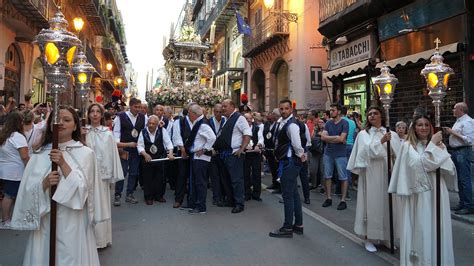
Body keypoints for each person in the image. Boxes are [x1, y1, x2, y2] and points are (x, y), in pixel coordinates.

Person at [11, 106, 107, 265]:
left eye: (67, 120)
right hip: (47, 220)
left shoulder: (86, 154)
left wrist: (63, 164)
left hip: (73, 220)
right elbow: (27, 191)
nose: (61, 123)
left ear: (75, 125)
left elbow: (85, 192)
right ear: (49, 125)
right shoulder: (40, 154)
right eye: (57, 120)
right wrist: (44, 184)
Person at [388, 114, 457, 266]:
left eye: (427, 124)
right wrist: (433, 148)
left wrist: (437, 149)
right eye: (420, 125)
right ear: (414, 128)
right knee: (421, 227)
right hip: (419, 195)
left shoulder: (439, 145)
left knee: (436, 227)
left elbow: (450, 168)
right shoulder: (408, 146)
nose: (424, 128)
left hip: (437, 190)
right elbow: (418, 167)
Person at [347, 106, 401, 252]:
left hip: (387, 172)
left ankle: (387, 238)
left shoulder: (391, 134)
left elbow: (399, 154)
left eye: (375, 113)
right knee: (371, 204)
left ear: (381, 116)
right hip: (370, 173)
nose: (372, 116)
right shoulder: (363, 134)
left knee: (388, 204)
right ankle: (369, 238)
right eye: (369, 114)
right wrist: (381, 142)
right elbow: (363, 154)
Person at [84, 103, 124, 248]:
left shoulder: (107, 133)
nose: (94, 114)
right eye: (92, 111)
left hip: (101, 177)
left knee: (100, 204)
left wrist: (111, 175)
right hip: (85, 174)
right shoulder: (83, 132)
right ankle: (86, 239)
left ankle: (100, 239)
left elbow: (111, 154)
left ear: (101, 115)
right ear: (88, 114)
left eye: (97, 112)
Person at [269, 99, 307, 238]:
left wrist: (301, 155)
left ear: (291, 109)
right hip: (288, 161)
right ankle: (298, 225)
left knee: (288, 196)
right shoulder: (283, 122)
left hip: (290, 162)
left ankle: (287, 227)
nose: (283, 111)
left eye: (286, 108)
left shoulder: (292, 125)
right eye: (281, 109)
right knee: (294, 194)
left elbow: (297, 144)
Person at [214, 99, 251, 213]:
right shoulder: (227, 119)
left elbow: (247, 133)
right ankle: (230, 200)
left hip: (234, 154)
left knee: (236, 180)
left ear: (232, 106)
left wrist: (241, 149)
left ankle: (239, 203)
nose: (223, 108)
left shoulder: (240, 118)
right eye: (222, 106)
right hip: (224, 154)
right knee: (226, 180)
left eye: (225, 106)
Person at [113, 98, 146, 206]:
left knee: (134, 172)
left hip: (136, 149)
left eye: (139, 107)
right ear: (130, 106)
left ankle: (129, 194)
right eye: (136, 107)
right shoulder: (121, 116)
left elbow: (145, 131)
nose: (138, 109)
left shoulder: (143, 117)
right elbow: (116, 132)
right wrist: (119, 146)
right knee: (122, 172)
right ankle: (117, 195)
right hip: (124, 148)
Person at [184, 104, 216, 214]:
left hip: (201, 158)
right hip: (196, 157)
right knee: (195, 182)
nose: (188, 115)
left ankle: (201, 207)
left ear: (194, 114)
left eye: (189, 113)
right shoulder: (199, 122)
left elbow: (212, 137)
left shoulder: (202, 124)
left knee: (200, 183)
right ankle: (194, 203)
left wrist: (204, 149)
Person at [0, 112, 29, 226]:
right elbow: (24, 156)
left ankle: (12, 217)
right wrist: (30, 167)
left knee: (10, 195)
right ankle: (6, 220)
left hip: (4, 170)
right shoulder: (17, 136)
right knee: (9, 196)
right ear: (19, 122)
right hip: (15, 172)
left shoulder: (4, 135)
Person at [445, 102, 474, 215]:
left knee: (465, 179)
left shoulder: (468, 122)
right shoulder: (459, 121)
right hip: (457, 152)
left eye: (454, 108)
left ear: (460, 109)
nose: (453, 110)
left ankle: (469, 205)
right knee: (460, 179)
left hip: (463, 151)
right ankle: (463, 202)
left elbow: (470, 140)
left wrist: (452, 132)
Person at [137, 115, 174, 205]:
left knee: (160, 178)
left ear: (157, 124)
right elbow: (140, 145)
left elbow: (168, 143)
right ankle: (148, 197)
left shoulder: (162, 130)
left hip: (160, 158)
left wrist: (171, 152)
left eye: (153, 123)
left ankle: (159, 196)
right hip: (147, 159)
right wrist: (145, 154)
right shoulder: (143, 132)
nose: (151, 125)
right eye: (149, 123)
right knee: (148, 178)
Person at [321, 103, 349, 210]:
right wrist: (336, 137)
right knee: (327, 176)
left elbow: (342, 139)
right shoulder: (328, 123)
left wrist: (331, 138)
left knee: (343, 176)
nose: (331, 112)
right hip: (328, 153)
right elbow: (323, 137)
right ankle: (328, 198)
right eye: (331, 110)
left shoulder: (344, 123)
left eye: (333, 110)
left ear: (339, 112)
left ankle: (343, 200)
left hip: (340, 153)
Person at [243, 113, 264, 201]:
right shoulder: (241, 129)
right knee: (245, 174)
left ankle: (256, 194)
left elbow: (261, 138)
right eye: (246, 119)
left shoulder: (257, 128)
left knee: (256, 174)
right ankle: (246, 194)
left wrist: (258, 145)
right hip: (245, 154)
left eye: (250, 118)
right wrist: (243, 146)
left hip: (255, 154)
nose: (248, 120)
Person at [208, 103, 226, 205]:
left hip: (223, 153)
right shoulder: (209, 121)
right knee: (214, 177)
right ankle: (216, 197)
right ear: (213, 111)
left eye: (220, 112)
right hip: (212, 153)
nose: (218, 114)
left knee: (223, 176)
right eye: (216, 112)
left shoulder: (225, 121)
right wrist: (210, 149)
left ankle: (223, 196)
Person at [263, 108, 281, 193]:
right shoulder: (266, 124)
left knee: (277, 168)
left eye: (272, 115)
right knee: (272, 168)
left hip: (275, 149)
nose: (269, 117)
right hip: (268, 149)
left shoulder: (278, 124)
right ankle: (274, 182)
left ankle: (279, 185)